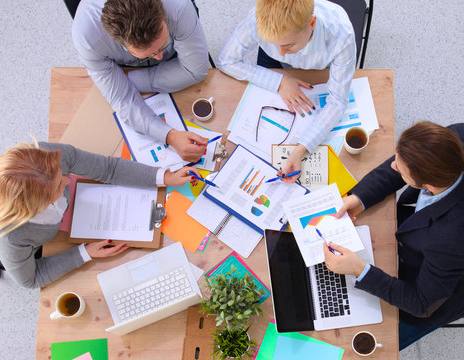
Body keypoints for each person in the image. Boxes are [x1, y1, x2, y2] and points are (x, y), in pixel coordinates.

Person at [0, 141, 200, 288]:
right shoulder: (10, 237)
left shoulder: (47, 158)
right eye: (57, 188)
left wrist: (164, 177)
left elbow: (108, 168)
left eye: (61, 174)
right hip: (39, 245)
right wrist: (84, 253)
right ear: (33, 209)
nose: (68, 180)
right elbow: (31, 279)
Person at [322, 122, 464, 350]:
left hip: (436, 295)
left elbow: (422, 302)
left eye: (400, 168)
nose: (392, 165)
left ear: (429, 185)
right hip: (431, 242)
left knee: (379, 342)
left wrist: (361, 270)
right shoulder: (455, 139)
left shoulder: (449, 240)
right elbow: (405, 163)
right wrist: (360, 197)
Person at [216, 0, 356, 181]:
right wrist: (278, 81)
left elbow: (337, 101)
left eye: (288, 45)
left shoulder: (341, 34)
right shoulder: (257, 19)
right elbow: (225, 60)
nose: (281, 53)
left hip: (320, 69)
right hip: (275, 67)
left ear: (311, 24)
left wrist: (301, 149)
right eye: (275, 44)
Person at [72, 0, 210, 162]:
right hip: (125, 65)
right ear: (121, 43)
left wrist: (127, 81)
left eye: (161, 46)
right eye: (151, 53)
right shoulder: (87, 37)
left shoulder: (178, 6)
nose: (159, 57)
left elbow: (195, 71)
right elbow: (123, 101)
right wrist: (170, 136)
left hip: (134, 71)